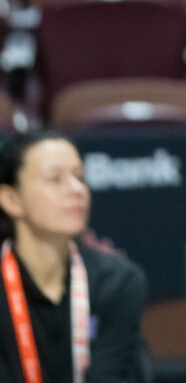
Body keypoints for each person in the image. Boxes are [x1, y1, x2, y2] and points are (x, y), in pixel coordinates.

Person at [0, 130, 150, 383]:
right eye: (55, 179)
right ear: (11, 199)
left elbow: (110, 376)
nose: (77, 189)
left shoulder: (118, 281)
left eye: (80, 177)